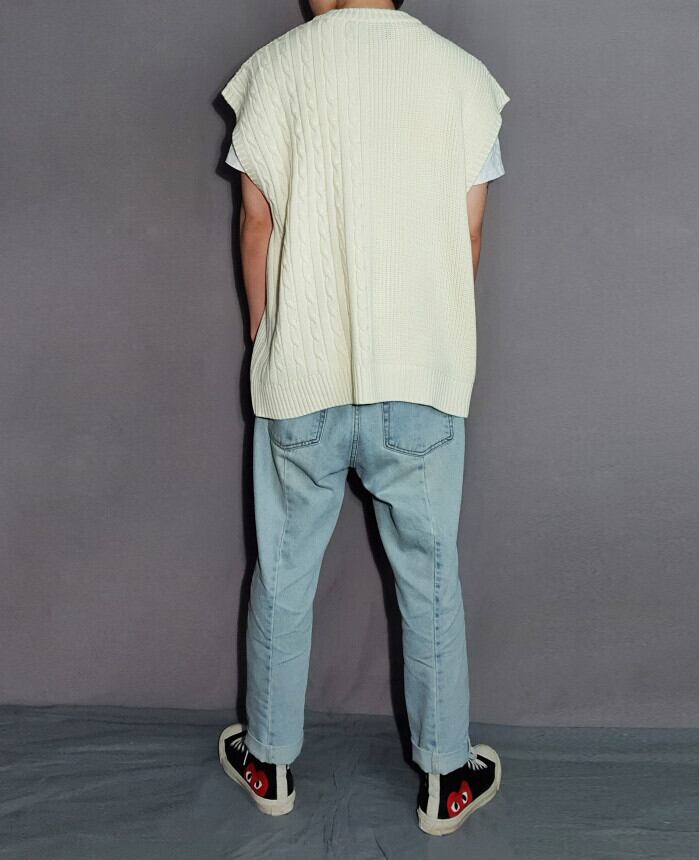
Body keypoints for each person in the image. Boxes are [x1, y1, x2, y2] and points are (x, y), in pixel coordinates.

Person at [217, 0, 509, 837]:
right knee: (431, 578)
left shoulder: (275, 70)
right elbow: (468, 236)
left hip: (303, 375)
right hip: (419, 376)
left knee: (283, 572)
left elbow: (259, 223)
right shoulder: (464, 79)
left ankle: (269, 762)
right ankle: (446, 778)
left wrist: (268, 333)